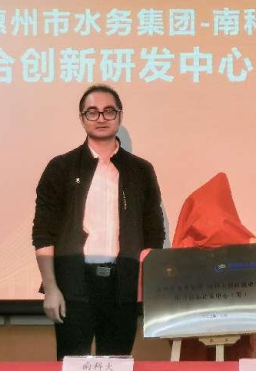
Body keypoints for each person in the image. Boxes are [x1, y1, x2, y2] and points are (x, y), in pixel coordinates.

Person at [32, 84, 165, 360]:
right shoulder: (61, 167)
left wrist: (146, 285)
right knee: (72, 362)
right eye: (92, 112)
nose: (101, 118)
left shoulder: (141, 170)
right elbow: (43, 233)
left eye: (109, 111)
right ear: (82, 119)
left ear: (120, 116)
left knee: (117, 363)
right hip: (73, 284)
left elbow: (153, 233)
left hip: (123, 284)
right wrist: (51, 287)